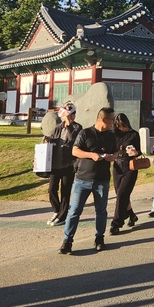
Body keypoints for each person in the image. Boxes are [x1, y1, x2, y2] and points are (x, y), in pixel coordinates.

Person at [58, 107, 118, 254]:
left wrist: (112, 156)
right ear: (103, 119)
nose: (114, 123)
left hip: (102, 180)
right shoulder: (85, 133)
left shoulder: (111, 136)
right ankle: (67, 240)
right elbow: (75, 150)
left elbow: (116, 152)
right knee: (74, 211)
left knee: (101, 211)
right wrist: (92, 155)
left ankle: (99, 238)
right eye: (112, 120)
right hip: (82, 179)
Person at [43, 103, 82, 226]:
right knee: (52, 189)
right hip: (55, 164)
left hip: (68, 164)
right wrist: (49, 140)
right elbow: (54, 138)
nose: (71, 116)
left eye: (72, 114)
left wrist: (69, 125)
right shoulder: (58, 127)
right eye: (68, 114)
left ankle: (63, 216)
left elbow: (72, 140)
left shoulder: (77, 127)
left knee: (65, 191)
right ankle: (57, 210)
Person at [109, 113, 141, 235]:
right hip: (117, 165)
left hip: (130, 165)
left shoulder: (134, 134)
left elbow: (139, 151)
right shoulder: (114, 134)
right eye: (118, 126)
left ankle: (116, 223)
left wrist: (134, 152)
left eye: (122, 125)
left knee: (122, 194)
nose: (121, 128)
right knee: (120, 194)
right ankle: (132, 215)